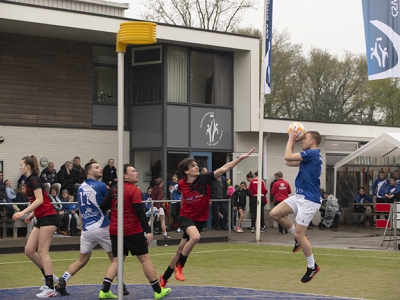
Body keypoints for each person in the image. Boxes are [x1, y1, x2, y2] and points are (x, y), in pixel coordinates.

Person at [159, 147, 254, 287]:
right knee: (195, 238)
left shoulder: (205, 178)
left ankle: (165, 277)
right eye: (193, 166)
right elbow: (183, 197)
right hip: (186, 217)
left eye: (197, 165)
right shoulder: (181, 183)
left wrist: (240, 158)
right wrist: (184, 206)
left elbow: (223, 168)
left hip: (200, 219)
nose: (196, 167)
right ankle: (180, 266)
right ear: (186, 171)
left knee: (180, 249)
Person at [55, 161, 129, 297]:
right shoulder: (101, 186)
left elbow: (81, 211)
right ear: (89, 172)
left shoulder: (81, 187)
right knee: (115, 259)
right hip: (101, 226)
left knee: (81, 260)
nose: (100, 169)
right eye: (96, 168)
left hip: (87, 228)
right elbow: (108, 205)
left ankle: (62, 281)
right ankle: (121, 285)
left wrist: (82, 228)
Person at [98, 164, 172, 299]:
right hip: (132, 229)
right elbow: (139, 211)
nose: (137, 173)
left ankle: (104, 290)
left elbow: (103, 206)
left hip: (115, 229)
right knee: (144, 259)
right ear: (125, 176)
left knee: (116, 261)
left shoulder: (114, 189)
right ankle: (157, 291)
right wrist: (148, 231)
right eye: (133, 171)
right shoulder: (133, 190)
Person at [270, 130, 322, 283]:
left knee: (299, 235)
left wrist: (291, 139)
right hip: (300, 196)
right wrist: (292, 142)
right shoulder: (309, 157)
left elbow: (288, 156)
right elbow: (288, 161)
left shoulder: (313, 153)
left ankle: (312, 266)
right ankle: (298, 237)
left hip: (309, 200)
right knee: (275, 213)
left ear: (312, 141)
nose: (302, 141)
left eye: (304, 139)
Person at [12, 155, 61, 298]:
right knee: (29, 250)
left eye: (21, 164)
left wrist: (23, 212)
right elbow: (42, 200)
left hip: (49, 217)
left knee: (42, 251)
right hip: (41, 217)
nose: (19, 166)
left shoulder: (33, 179)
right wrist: (33, 214)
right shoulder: (28, 181)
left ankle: (50, 287)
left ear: (28, 166)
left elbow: (39, 200)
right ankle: (49, 276)